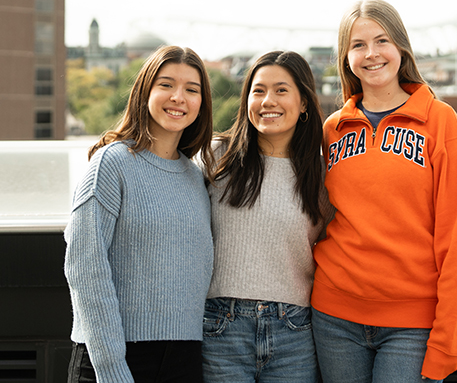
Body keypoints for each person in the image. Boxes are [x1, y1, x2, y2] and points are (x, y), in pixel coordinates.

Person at [311, 0, 457, 383]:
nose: (371, 54)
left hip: (413, 326)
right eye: (357, 45)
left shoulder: (442, 124)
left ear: (401, 48)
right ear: (345, 57)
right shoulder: (332, 129)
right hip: (334, 318)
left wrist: (446, 345)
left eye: (381, 40)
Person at [64, 45, 215, 383]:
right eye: (166, 85)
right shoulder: (111, 164)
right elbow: (85, 268)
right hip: (113, 360)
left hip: (185, 360)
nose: (179, 97)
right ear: (144, 91)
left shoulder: (196, 178)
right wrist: (113, 368)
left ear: (201, 104)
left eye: (192, 90)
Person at [201, 50, 333, 383]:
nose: (268, 100)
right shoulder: (216, 158)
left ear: (304, 103)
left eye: (281, 90)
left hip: (295, 330)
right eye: (258, 91)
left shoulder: (322, 174)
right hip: (221, 328)